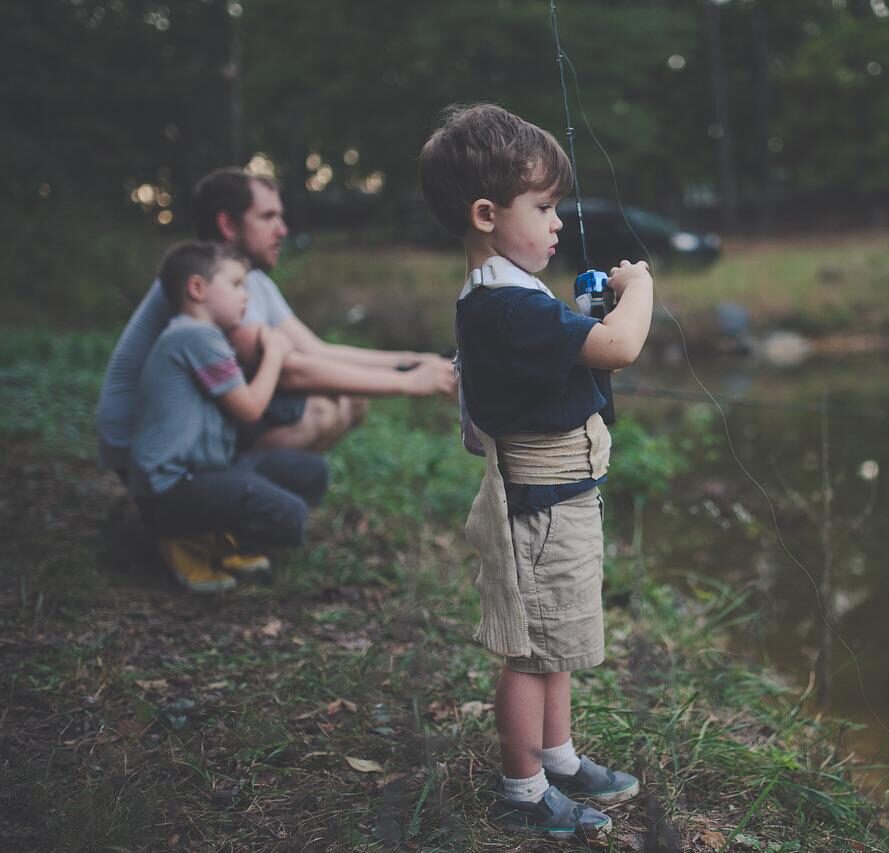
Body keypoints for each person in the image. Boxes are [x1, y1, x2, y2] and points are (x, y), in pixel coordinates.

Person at [419, 104, 653, 839]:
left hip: (563, 499)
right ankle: (522, 789)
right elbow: (616, 348)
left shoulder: (510, 296)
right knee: (530, 653)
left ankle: (556, 754)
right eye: (544, 206)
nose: (557, 222)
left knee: (556, 642)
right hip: (542, 509)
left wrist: (583, 310)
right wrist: (637, 289)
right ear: (486, 213)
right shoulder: (504, 305)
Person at [97, 166, 456, 473]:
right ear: (227, 224)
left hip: (190, 429)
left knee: (351, 399)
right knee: (321, 409)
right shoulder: (210, 290)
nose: (282, 229)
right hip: (142, 450)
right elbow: (291, 369)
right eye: (268, 217)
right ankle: (218, 515)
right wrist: (410, 384)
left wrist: (414, 361)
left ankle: (247, 505)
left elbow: (316, 350)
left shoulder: (249, 280)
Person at [129, 241, 329, 593]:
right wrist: (276, 352)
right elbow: (251, 408)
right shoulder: (195, 336)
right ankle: (184, 540)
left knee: (312, 472)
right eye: (236, 285)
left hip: (207, 472)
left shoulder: (202, 336)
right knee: (289, 515)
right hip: (171, 489)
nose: (246, 297)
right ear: (197, 288)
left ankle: (214, 536)